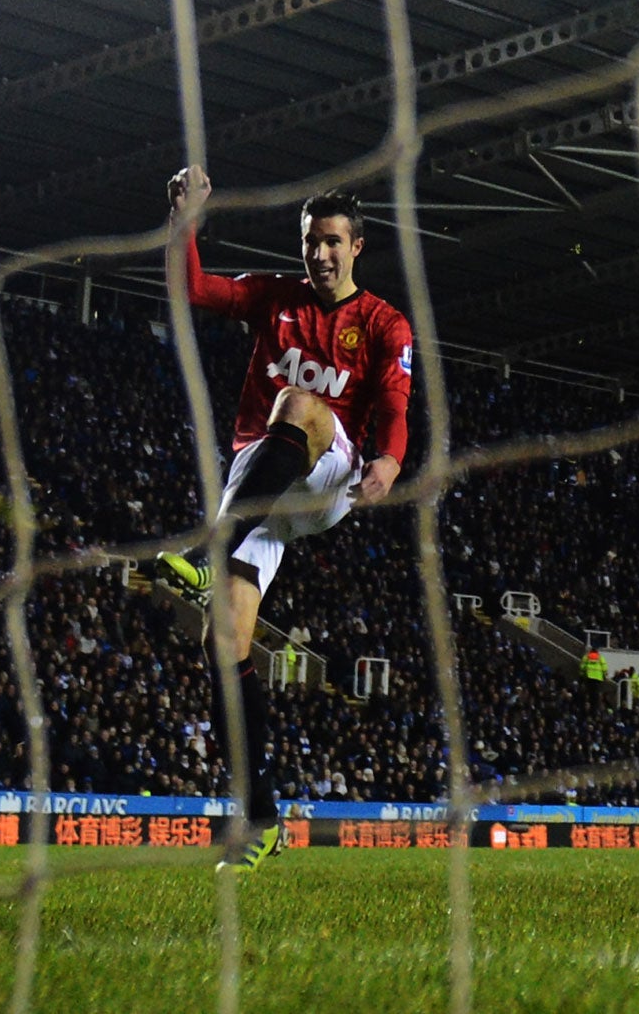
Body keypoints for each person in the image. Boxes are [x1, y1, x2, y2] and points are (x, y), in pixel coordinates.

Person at [153, 170, 412, 874]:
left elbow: (392, 402)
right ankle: (261, 818)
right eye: (310, 242)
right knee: (225, 647)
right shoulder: (274, 297)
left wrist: (387, 461)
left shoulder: (384, 323)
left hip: (327, 474)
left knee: (298, 403)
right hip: (256, 483)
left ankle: (210, 549)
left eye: (332, 242)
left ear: (357, 246)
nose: (319, 254)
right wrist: (186, 221)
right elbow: (195, 289)